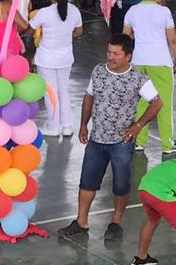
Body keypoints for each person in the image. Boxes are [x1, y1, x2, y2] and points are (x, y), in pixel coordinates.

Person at [58, 34, 162, 241]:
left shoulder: (138, 79)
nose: (110, 57)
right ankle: (81, 221)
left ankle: (116, 222)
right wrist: (83, 125)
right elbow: (89, 97)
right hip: (96, 139)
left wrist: (137, 125)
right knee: (87, 181)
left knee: (121, 184)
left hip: (121, 142)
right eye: (109, 52)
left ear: (128, 57)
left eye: (116, 54)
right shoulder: (98, 71)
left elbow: (157, 103)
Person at [123, 0, 176, 153]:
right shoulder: (163, 12)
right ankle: (167, 144)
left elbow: (126, 37)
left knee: (141, 103)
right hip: (160, 62)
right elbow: (172, 39)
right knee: (163, 103)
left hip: (139, 62)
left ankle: (139, 141)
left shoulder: (132, 11)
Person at [29, 0, 83, 136]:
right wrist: (65, 35)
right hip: (65, 57)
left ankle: (54, 127)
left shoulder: (44, 13)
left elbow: (28, 29)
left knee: (50, 92)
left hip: (46, 59)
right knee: (63, 90)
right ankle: (67, 126)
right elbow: (79, 32)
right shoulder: (74, 10)